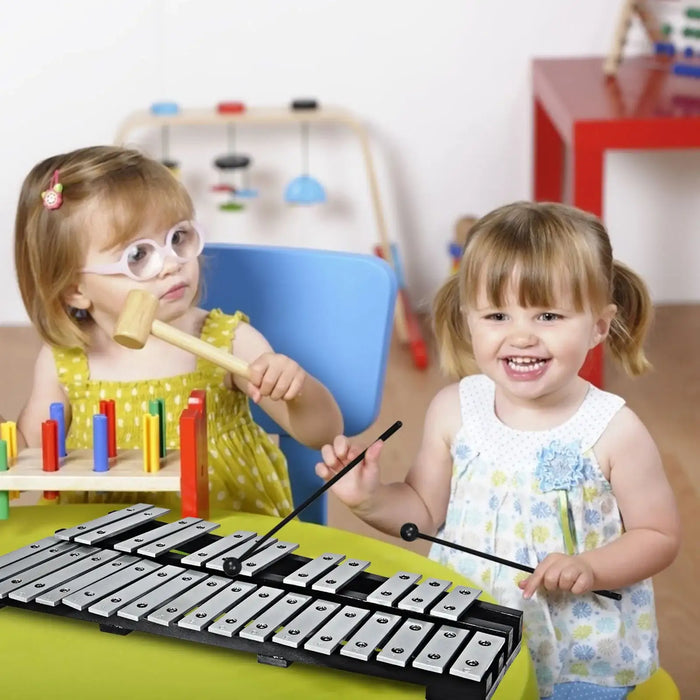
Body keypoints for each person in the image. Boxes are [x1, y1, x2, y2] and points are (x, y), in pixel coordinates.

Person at [316, 201, 680, 699]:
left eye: (549, 315)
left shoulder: (614, 430)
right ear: (469, 320)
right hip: (462, 636)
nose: (522, 335)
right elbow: (423, 510)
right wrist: (369, 498)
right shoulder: (454, 409)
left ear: (598, 325)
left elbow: (658, 535)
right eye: (497, 315)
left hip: (580, 654)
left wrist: (592, 567)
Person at [15, 145, 343, 516]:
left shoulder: (226, 340)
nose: (171, 264)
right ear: (75, 289)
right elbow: (31, 455)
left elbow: (323, 433)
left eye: (178, 238)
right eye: (137, 255)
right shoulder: (65, 361)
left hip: (221, 540)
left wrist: (296, 391)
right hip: (104, 547)